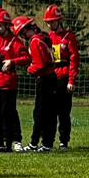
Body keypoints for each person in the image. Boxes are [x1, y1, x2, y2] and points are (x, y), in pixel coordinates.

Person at [0, 9, 28, 152]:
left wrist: (12, 61)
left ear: (6, 25)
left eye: (0, 25)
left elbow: (26, 58)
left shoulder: (15, 41)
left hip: (7, 83)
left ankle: (13, 140)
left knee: (8, 112)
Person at [45, 4, 80, 149]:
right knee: (51, 111)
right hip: (51, 77)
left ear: (59, 21)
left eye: (52, 22)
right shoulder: (48, 37)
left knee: (64, 112)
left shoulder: (69, 37)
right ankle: (49, 140)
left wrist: (71, 80)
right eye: (48, 22)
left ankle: (63, 141)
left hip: (64, 78)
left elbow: (74, 59)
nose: (49, 25)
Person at [27, 15, 58, 151]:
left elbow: (40, 64)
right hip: (51, 78)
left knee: (40, 112)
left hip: (44, 79)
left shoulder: (35, 41)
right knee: (49, 112)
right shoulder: (44, 37)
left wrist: (30, 69)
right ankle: (46, 143)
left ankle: (36, 143)